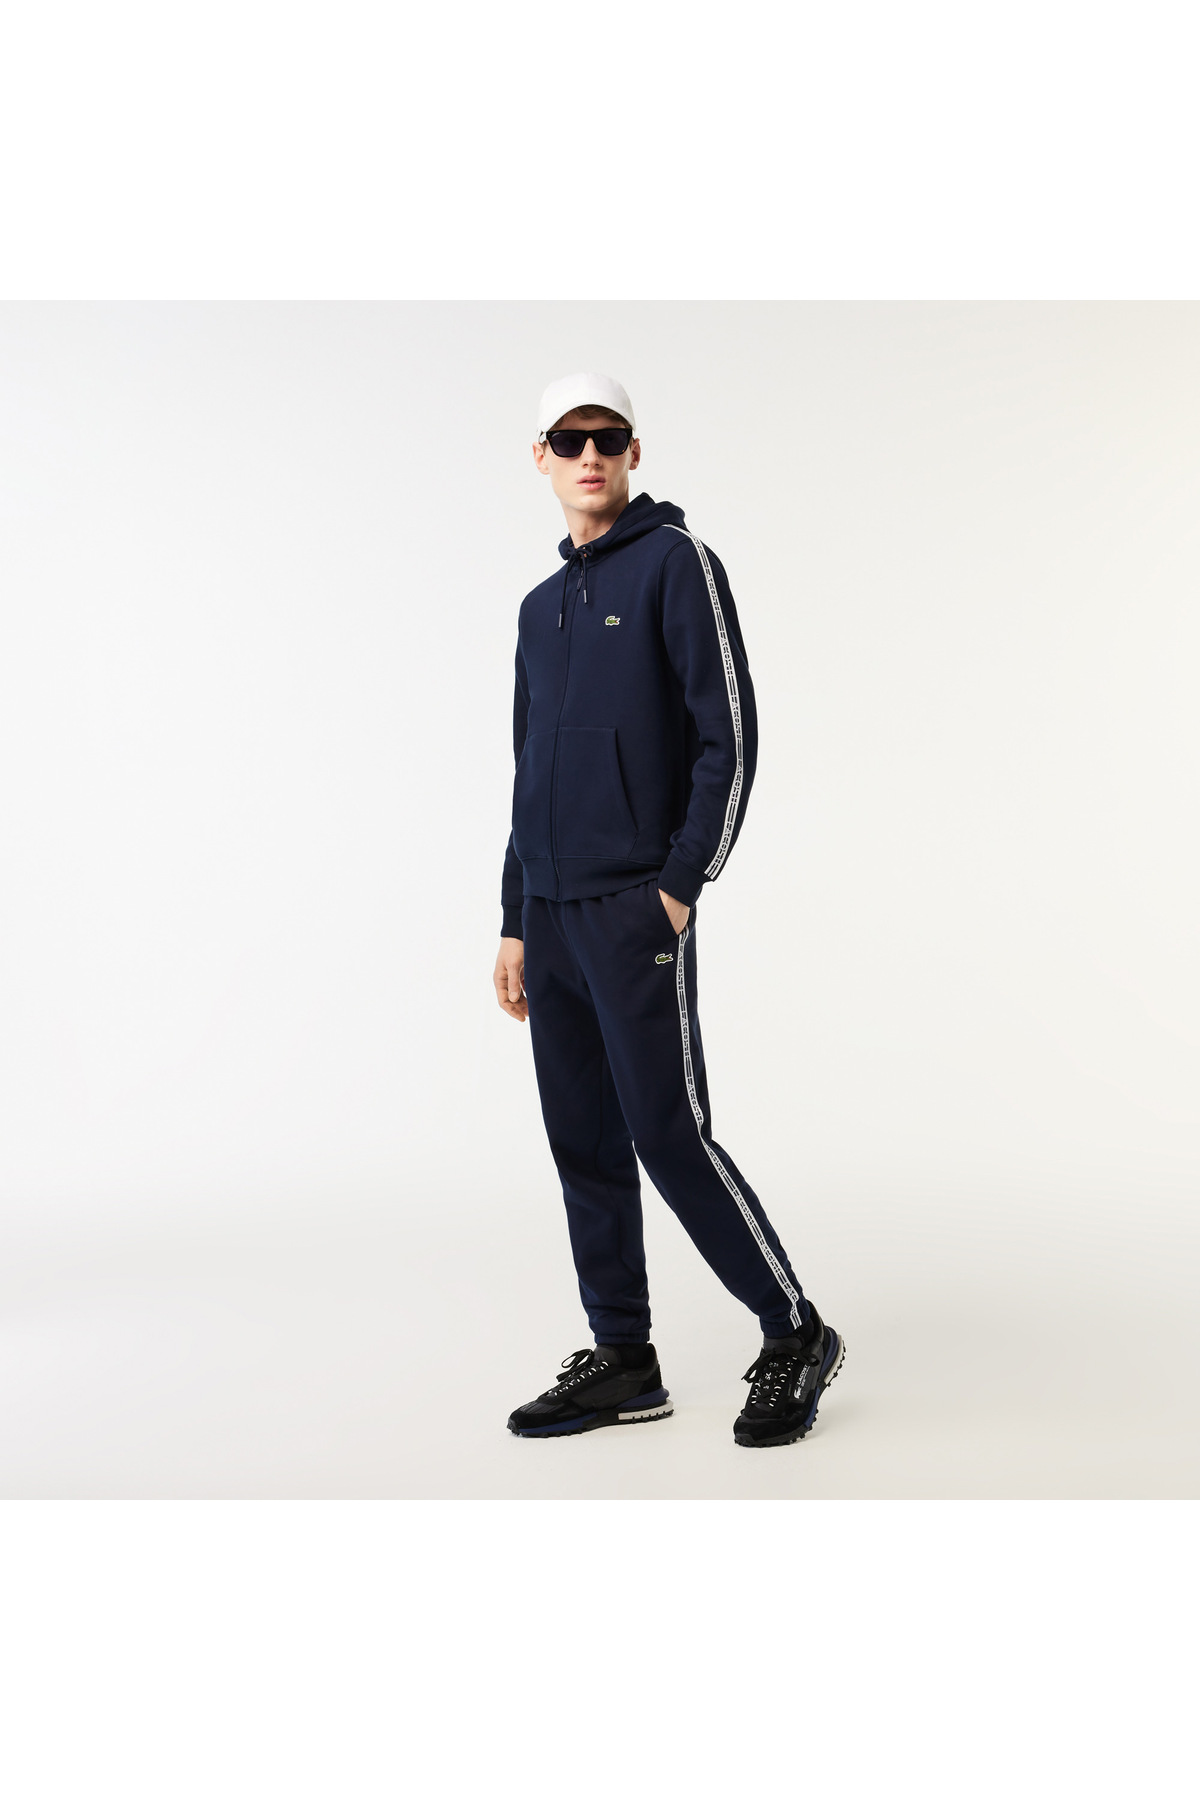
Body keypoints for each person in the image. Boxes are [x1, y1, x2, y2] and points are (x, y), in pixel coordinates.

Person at [492, 372, 844, 1448]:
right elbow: (529, 769)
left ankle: (794, 1331)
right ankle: (624, 1359)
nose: (589, 456)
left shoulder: (677, 564)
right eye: (568, 440)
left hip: (633, 906)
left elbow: (728, 734)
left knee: (666, 1133)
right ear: (541, 457)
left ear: (634, 452)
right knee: (582, 1140)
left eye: (608, 438)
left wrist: (682, 885)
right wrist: (514, 917)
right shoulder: (538, 608)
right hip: (551, 912)